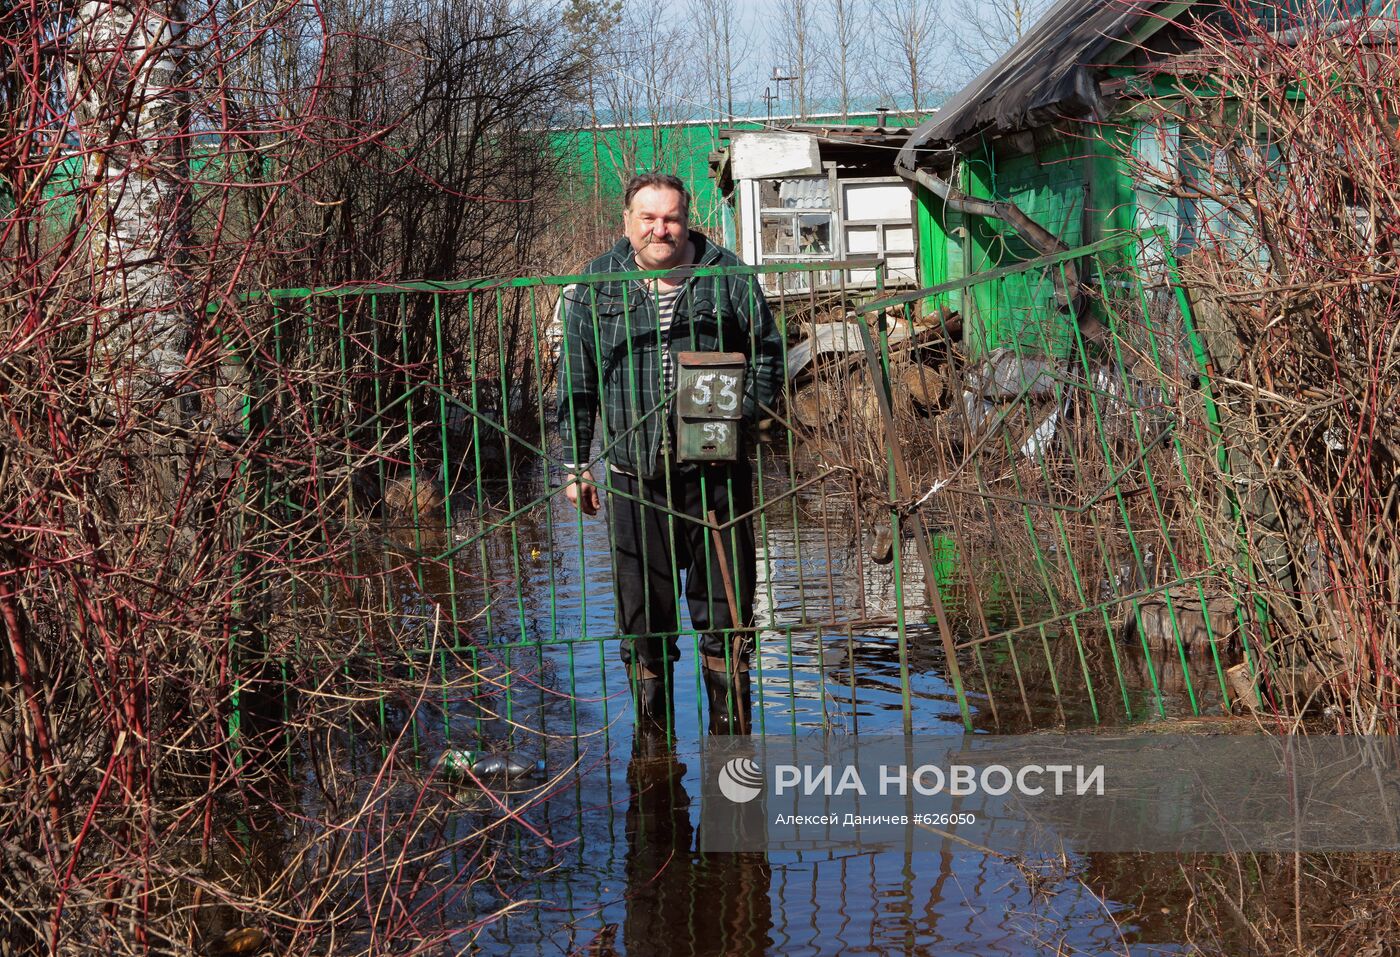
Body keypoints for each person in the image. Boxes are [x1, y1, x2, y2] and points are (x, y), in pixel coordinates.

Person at [556, 172, 783, 737]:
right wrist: (575, 462)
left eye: (672, 218)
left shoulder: (726, 275)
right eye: (649, 218)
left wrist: (740, 414)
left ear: (688, 219)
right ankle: (652, 747)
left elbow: (769, 354)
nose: (661, 229)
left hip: (717, 478)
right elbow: (577, 381)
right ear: (627, 221)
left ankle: (731, 742)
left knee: (726, 615)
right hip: (633, 478)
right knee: (644, 621)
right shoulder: (597, 283)